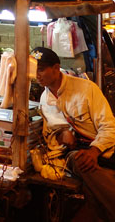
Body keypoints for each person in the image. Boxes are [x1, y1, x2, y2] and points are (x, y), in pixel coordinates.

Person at [33, 46, 115, 219]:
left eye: (41, 70)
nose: (37, 75)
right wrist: (62, 135)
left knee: (94, 182)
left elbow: (109, 126)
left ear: (56, 68)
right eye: (34, 70)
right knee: (82, 162)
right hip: (73, 155)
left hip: (102, 149)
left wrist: (95, 150)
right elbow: (50, 136)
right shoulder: (44, 99)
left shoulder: (86, 89)